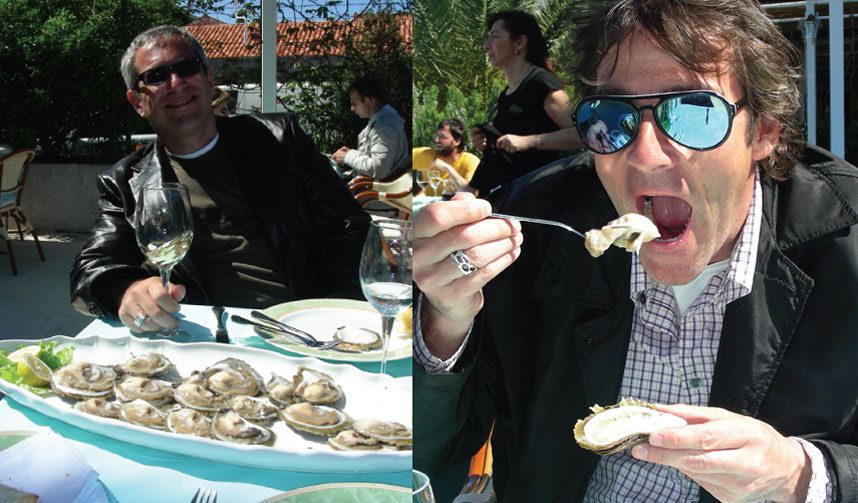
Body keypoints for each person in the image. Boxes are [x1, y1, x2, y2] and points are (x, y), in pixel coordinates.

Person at [413, 1, 858, 501]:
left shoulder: (846, 245)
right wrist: (444, 323)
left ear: (763, 132)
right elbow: (428, 459)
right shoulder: (532, 229)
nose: (643, 154)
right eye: (611, 116)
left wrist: (800, 474)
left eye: (694, 111)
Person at [70, 25, 370, 333]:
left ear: (209, 79)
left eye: (187, 68)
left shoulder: (279, 142)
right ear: (137, 102)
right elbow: (91, 267)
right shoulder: (124, 183)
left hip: (302, 326)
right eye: (157, 76)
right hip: (201, 335)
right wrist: (123, 290)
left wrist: (336, 311)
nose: (176, 83)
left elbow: (349, 226)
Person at [467, 10, 580, 196]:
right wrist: (488, 142)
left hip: (539, 196)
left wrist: (530, 141)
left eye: (494, 37)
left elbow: (581, 135)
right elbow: (512, 147)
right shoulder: (506, 93)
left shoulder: (541, 83)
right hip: (511, 194)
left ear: (519, 42)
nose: (486, 45)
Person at [331, 76, 409, 180]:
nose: (352, 108)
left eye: (355, 103)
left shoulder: (384, 127)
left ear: (369, 100)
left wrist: (348, 156)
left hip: (373, 192)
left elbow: (379, 169)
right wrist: (350, 154)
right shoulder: (383, 122)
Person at [413, 118, 480, 196]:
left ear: (457, 141)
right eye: (437, 136)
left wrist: (447, 168)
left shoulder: (470, 161)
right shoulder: (426, 155)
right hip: (426, 205)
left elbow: (471, 192)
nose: (437, 140)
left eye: (443, 137)